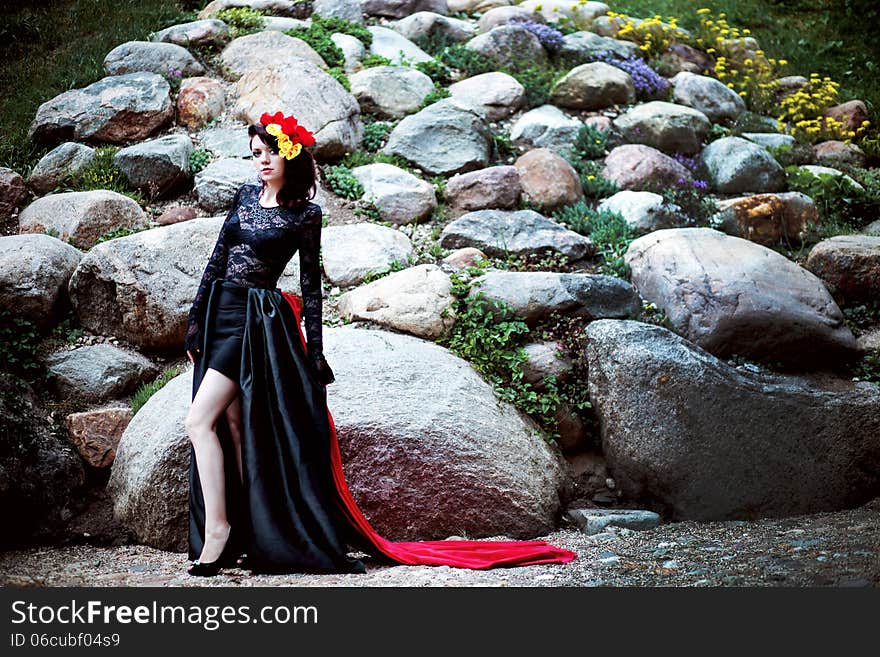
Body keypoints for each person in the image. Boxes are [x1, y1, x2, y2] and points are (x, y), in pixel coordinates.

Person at [183, 111, 578, 577]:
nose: (262, 162)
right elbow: (217, 259)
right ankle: (251, 531)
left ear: (291, 156)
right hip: (220, 315)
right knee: (234, 430)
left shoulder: (304, 214)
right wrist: (195, 321)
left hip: (255, 324)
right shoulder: (245, 196)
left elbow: (312, 287)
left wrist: (316, 350)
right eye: (256, 155)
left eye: (270, 153)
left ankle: (220, 529)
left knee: (198, 421)